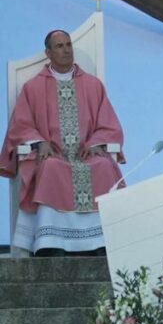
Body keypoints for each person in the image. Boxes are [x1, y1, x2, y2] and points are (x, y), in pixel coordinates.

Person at [1, 29, 124, 256]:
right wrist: (38, 142)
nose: (66, 50)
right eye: (59, 46)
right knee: (49, 167)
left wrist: (98, 142)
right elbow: (21, 124)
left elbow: (109, 124)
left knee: (105, 166)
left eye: (68, 45)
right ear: (48, 53)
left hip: (86, 155)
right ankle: (51, 243)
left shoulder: (92, 85)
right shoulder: (33, 87)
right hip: (53, 155)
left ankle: (103, 242)